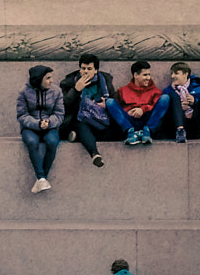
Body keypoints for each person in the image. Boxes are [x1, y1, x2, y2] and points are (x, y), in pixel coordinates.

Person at [64, 54, 122, 167]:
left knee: (117, 132)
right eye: (83, 68)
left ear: (95, 70)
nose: (85, 72)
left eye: (89, 69)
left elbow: (115, 101)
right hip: (80, 119)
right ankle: (95, 154)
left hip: (99, 119)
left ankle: (77, 137)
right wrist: (75, 90)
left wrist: (106, 105)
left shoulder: (105, 81)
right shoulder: (69, 82)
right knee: (80, 125)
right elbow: (64, 107)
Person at [17, 65, 64, 193]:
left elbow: (60, 114)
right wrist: (37, 124)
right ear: (39, 80)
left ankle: (41, 179)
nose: (51, 81)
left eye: (51, 77)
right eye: (48, 78)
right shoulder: (24, 91)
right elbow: (21, 115)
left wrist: (49, 122)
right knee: (32, 142)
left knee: (52, 142)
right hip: (30, 126)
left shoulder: (56, 91)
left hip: (50, 126)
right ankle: (42, 179)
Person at [114, 62, 171, 147]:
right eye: (145, 75)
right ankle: (130, 132)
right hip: (130, 122)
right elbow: (118, 108)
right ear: (136, 75)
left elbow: (157, 107)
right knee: (110, 102)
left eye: (149, 75)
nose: (148, 78)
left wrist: (142, 109)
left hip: (148, 122)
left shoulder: (155, 91)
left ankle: (147, 132)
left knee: (165, 98)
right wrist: (128, 111)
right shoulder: (122, 91)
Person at [159, 63, 200, 143]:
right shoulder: (168, 91)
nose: (172, 76)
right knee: (173, 95)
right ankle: (180, 131)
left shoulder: (198, 88)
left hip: (194, 128)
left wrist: (194, 103)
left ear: (185, 74)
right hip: (174, 129)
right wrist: (179, 107)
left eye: (176, 73)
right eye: (172, 73)